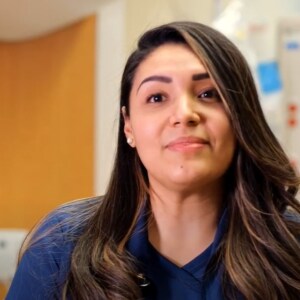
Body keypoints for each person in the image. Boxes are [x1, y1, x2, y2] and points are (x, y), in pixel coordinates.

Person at [6, 21, 300, 300]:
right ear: (128, 126)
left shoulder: (291, 249)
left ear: (241, 119)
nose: (185, 113)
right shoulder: (61, 247)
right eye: (157, 97)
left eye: (208, 94)